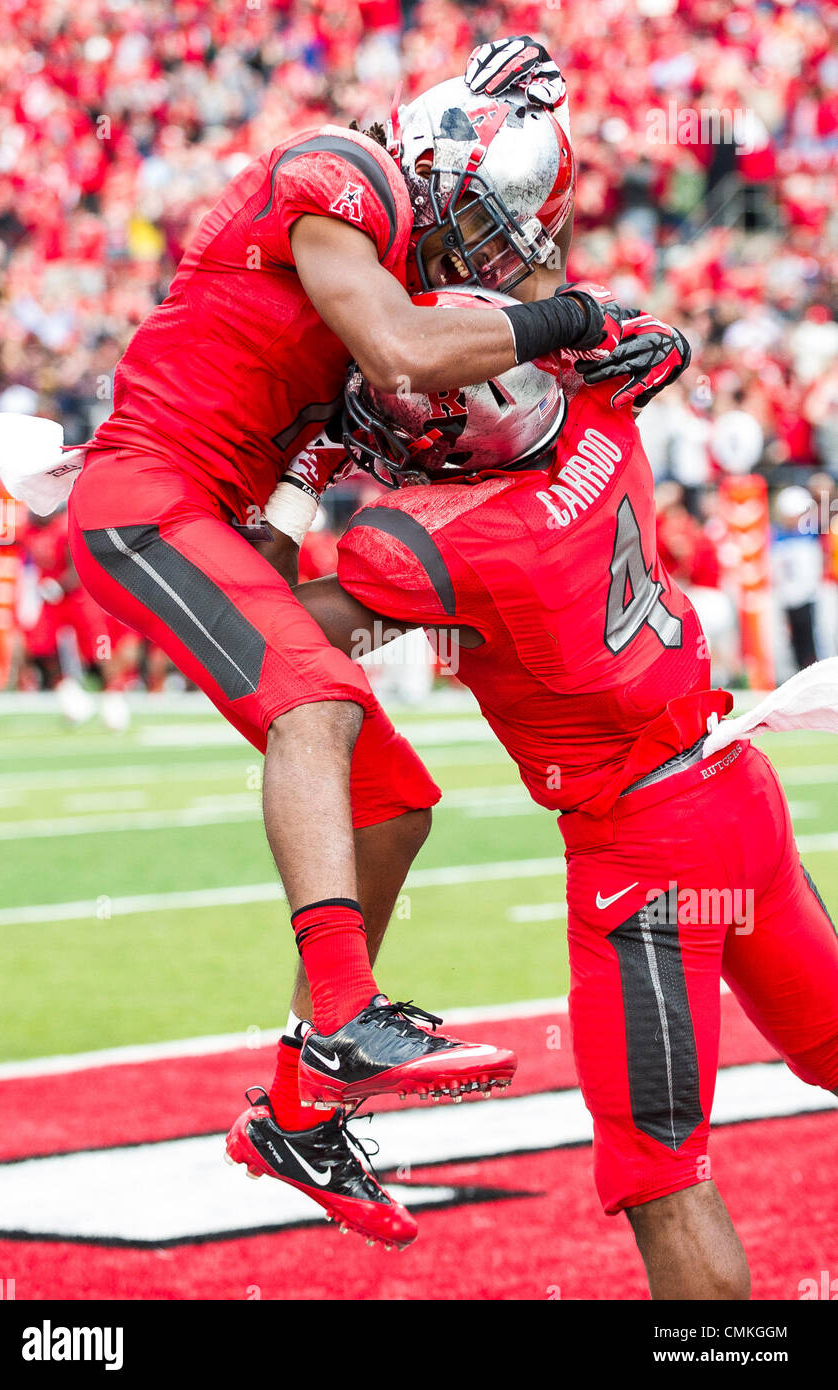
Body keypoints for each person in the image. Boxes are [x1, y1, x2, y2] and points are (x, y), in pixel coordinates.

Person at [64, 42, 618, 1247]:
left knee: (395, 804)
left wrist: (593, 369)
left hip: (202, 514)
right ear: (435, 167)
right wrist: (574, 319)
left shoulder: (356, 304)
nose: (481, 257)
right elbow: (410, 351)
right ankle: (345, 1014)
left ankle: (300, 1109)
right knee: (318, 697)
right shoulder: (338, 173)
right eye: (479, 222)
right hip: (141, 493)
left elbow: (285, 529)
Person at [290, 287, 838, 1298]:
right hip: (732, 786)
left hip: (641, 856)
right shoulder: (600, 412)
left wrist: (268, 487)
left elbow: (276, 624)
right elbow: (607, 331)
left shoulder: (450, 547)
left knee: (662, 1177)